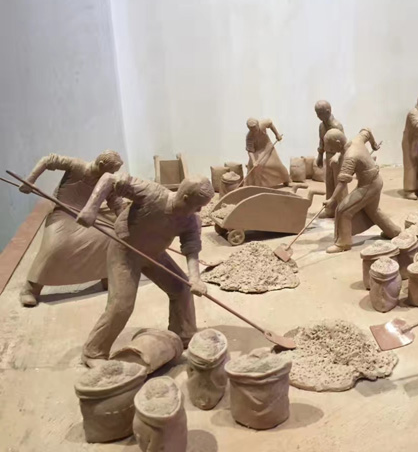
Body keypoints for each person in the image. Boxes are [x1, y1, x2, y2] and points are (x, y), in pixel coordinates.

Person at [76, 174, 214, 367]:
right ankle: (94, 352)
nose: (199, 210)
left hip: (154, 254)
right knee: (121, 305)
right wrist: (91, 208)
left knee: (181, 289)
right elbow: (109, 179)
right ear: (185, 198)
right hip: (125, 252)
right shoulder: (152, 194)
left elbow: (191, 249)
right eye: (198, 205)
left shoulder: (190, 220)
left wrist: (195, 278)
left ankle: (183, 335)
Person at [17, 151, 124, 307]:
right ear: (101, 165)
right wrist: (30, 180)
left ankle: (107, 278)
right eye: (111, 170)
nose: (112, 174)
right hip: (62, 213)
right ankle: (30, 289)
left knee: (110, 237)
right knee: (56, 246)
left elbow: (116, 202)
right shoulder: (77, 166)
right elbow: (47, 160)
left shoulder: (105, 181)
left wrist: (124, 222)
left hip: (85, 216)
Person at [323, 128, 401, 253]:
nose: (330, 150)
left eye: (331, 148)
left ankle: (343, 243)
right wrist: (374, 145)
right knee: (373, 210)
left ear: (338, 143)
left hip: (368, 185)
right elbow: (367, 131)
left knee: (343, 210)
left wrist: (332, 200)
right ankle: (394, 232)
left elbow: (343, 182)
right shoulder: (356, 140)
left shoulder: (350, 157)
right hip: (376, 181)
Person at [315, 100, 345, 218]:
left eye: (319, 113)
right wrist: (320, 155)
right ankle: (330, 210)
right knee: (329, 183)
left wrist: (338, 155)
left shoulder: (337, 126)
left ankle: (342, 210)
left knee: (339, 183)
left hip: (337, 157)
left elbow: (344, 144)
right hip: (328, 156)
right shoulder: (321, 126)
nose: (317, 116)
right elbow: (321, 142)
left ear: (327, 112)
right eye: (317, 113)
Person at [244, 118, 290, 187]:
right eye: (252, 130)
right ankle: (257, 185)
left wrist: (277, 134)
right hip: (257, 150)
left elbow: (270, 124)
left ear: (258, 125)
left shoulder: (262, 124)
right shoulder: (249, 137)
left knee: (276, 165)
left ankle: (285, 179)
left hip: (267, 146)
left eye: (255, 129)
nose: (254, 131)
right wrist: (254, 161)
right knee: (255, 166)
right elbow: (250, 151)